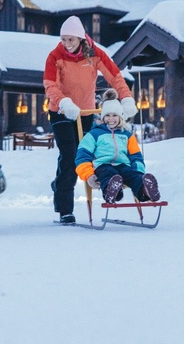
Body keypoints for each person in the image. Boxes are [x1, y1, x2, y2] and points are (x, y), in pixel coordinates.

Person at [43, 15, 137, 224]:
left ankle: (101, 187)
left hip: (85, 113)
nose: (66, 44)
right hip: (61, 111)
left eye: (71, 39)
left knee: (87, 156)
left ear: (81, 39)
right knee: (69, 155)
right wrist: (64, 102)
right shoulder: (55, 56)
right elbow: (51, 85)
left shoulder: (94, 54)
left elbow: (115, 76)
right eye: (63, 39)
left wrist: (126, 97)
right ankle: (65, 209)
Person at [75, 89, 160, 204]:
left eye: (114, 115)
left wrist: (139, 171)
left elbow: (136, 156)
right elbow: (82, 155)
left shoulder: (126, 135)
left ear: (120, 117)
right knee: (108, 174)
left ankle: (145, 190)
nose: (111, 118)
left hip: (123, 165)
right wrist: (89, 175)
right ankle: (112, 192)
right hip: (102, 165)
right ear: (102, 117)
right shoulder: (95, 134)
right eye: (107, 115)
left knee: (132, 175)